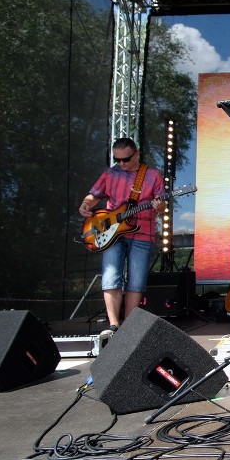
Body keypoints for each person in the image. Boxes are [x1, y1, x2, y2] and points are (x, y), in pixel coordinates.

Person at [79, 137, 166, 336]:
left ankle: (129, 327)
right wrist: (86, 204)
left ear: (136, 155)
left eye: (125, 159)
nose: (121, 164)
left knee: (136, 281)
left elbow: (162, 204)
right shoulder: (110, 174)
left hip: (142, 232)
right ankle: (113, 325)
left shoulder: (152, 175)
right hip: (111, 233)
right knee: (111, 277)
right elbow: (94, 195)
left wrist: (159, 205)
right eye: (117, 159)